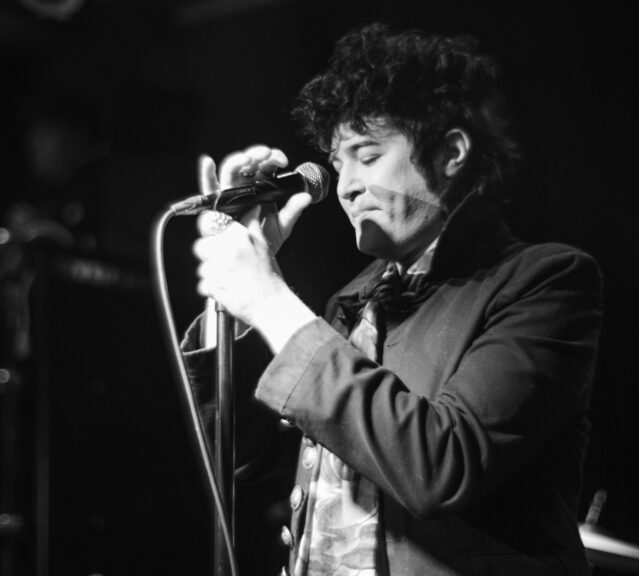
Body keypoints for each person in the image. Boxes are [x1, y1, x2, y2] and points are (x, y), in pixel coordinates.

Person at [183, 22, 603, 576]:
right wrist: (235, 304)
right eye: (339, 165)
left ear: (451, 153)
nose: (346, 186)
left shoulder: (544, 282)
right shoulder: (351, 304)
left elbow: (441, 466)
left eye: (368, 155)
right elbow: (249, 461)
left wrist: (270, 301)